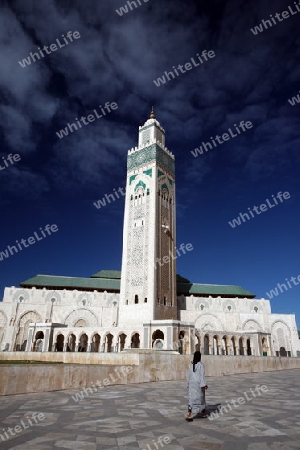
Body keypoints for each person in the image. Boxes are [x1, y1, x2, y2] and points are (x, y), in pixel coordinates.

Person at [186, 351, 208, 421]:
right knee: (201, 399)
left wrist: (188, 384)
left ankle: (189, 414)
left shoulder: (191, 364)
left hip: (192, 384)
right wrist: (204, 385)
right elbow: (202, 375)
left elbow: (188, 375)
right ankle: (203, 413)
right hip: (198, 384)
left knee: (191, 399)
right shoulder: (201, 365)